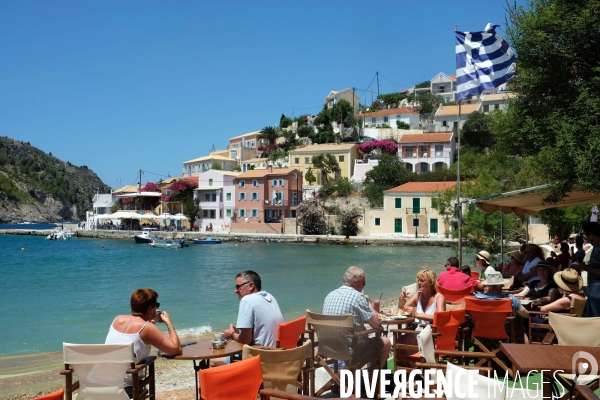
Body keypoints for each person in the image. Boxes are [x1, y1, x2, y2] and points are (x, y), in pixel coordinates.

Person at [105, 288, 182, 398]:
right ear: (150, 309)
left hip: (103, 384)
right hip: (127, 389)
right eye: (157, 305)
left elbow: (130, 335)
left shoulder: (117, 319)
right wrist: (169, 323)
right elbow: (176, 349)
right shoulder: (147, 328)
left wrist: (148, 324)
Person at [322, 266, 391, 368]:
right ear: (356, 282)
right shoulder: (358, 297)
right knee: (386, 342)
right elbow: (376, 324)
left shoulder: (329, 295)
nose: (363, 287)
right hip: (351, 351)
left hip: (329, 349)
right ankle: (373, 381)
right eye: (363, 284)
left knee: (361, 331)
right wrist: (368, 302)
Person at [222, 270, 283, 347]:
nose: (235, 291)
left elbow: (245, 340)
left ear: (251, 286)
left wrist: (231, 334)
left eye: (238, 287)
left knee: (213, 359)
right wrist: (239, 332)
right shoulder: (269, 297)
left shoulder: (247, 300)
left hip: (262, 354)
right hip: (278, 351)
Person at [573, 222, 600, 317]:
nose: (585, 237)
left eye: (585, 234)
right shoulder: (596, 246)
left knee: (596, 321)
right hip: (593, 289)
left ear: (591, 234)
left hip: (597, 290)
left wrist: (585, 267)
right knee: (591, 321)